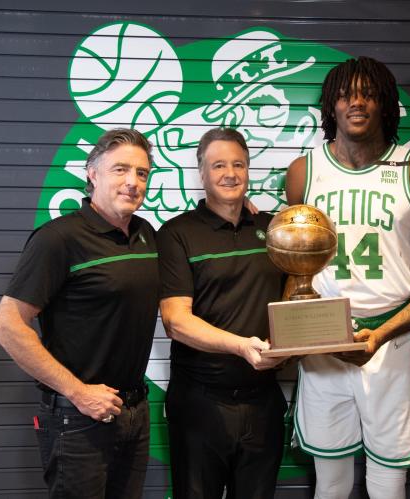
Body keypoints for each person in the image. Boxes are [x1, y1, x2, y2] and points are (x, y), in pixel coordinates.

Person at [286, 56, 410, 499]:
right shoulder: (304, 172)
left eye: (368, 94)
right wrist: (292, 335)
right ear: (331, 106)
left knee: (388, 482)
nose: (356, 103)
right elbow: (295, 269)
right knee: (331, 483)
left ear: (385, 104)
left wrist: (380, 334)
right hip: (324, 340)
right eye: (345, 95)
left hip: (391, 337)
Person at [0, 128, 159, 498]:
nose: (132, 182)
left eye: (142, 172)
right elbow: (6, 326)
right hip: (78, 418)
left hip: (134, 412)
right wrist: (78, 392)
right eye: (120, 169)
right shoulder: (59, 238)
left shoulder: (146, 234)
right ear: (92, 173)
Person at [157, 127, 288, 499]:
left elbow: (295, 300)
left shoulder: (274, 229)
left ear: (248, 170)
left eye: (238, 164)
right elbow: (176, 322)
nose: (230, 173)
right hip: (200, 405)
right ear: (201, 173)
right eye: (218, 165)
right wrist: (242, 346)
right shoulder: (176, 233)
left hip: (263, 401)